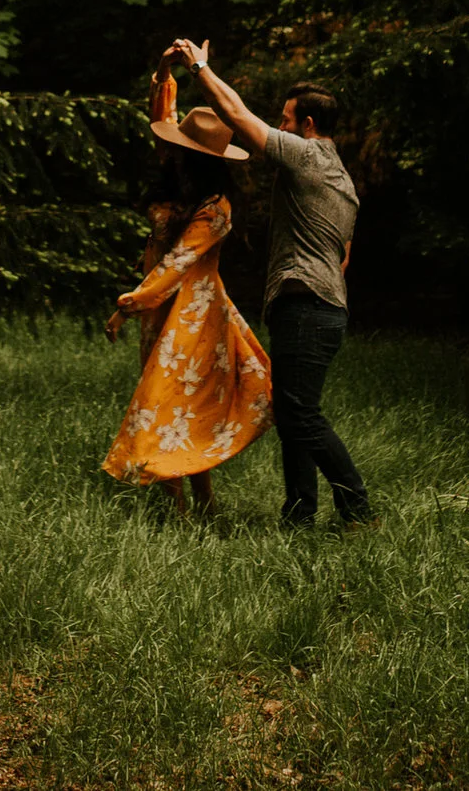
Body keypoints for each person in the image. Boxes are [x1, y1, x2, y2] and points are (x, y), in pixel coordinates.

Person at [167, 37, 371, 528]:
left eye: (284, 118)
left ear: (307, 125)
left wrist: (200, 68)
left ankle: (359, 510)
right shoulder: (341, 179)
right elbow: (342, 257)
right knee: (293, 413)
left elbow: (238, 117)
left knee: (301, 415)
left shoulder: (307, 156)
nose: (278, 125)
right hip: (323, 307)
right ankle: (299, 514)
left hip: (305, 305)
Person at [99, 51, 273, 517]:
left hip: (194, 311)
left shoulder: (215, 209)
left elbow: (178, 264)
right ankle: (195, 499)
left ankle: (187, 501)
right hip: (158, 308)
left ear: (196, 159)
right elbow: (164, 118)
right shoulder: (178, 172)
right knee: (172, 398)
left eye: (178, 148)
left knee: (175, 397)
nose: (169, 149)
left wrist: (127, 304)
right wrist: (162, 70)